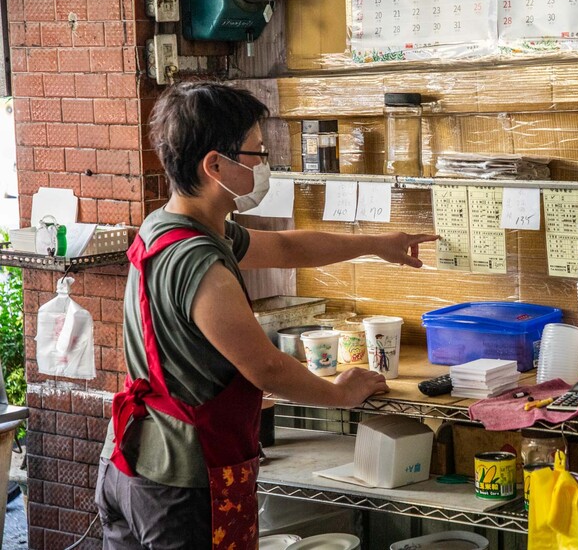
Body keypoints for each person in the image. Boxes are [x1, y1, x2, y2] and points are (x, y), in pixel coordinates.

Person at [94, 81, 438, 549]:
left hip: (131, 463)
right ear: (215, 164)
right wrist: (339, 394)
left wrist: (377, 245)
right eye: (255, 153)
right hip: (181, 481)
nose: (264, 166)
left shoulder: (169, 226)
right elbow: (266, 367)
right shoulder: (200, 261)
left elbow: (284, 246)